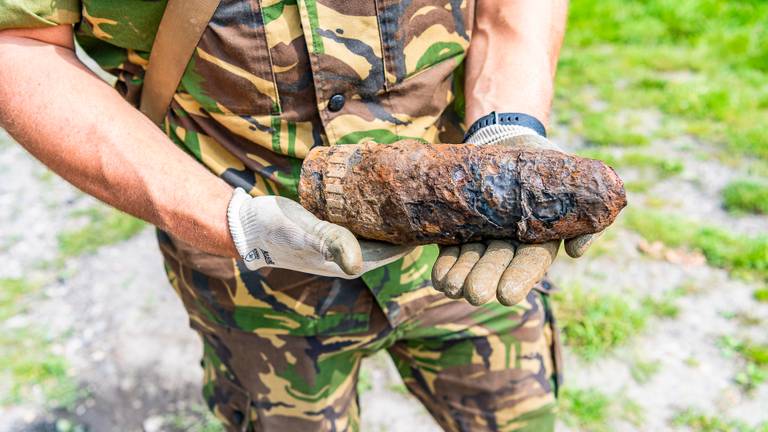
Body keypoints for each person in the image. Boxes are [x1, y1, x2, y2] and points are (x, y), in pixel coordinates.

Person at [0, 1, 594, 430]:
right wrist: (231, 222)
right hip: (246, 272)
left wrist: (507, 128)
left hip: (462, 249)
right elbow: (21, 43)